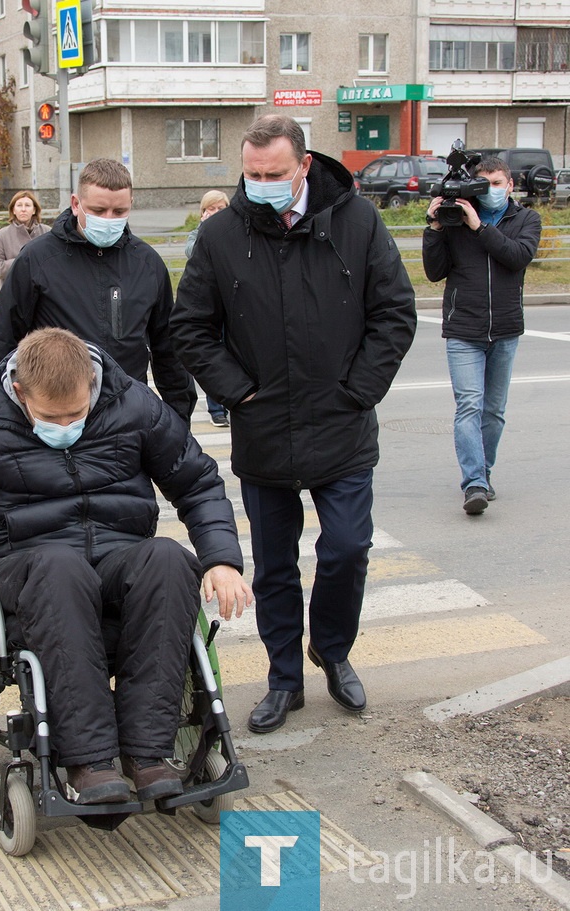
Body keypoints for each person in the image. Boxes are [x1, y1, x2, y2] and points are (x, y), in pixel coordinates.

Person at [0, 328, 252, 804]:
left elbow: (197, 484)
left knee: (170, 559)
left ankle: (147, 754)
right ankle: (88, 760)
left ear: (92, 383)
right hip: (25, 566)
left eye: (78, 413)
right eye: (51, 417)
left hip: (116, 558)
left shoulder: (136, 406)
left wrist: (222, 560)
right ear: (21, 393)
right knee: (60, 566)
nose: (67, 425)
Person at [172, 115, 416, 734]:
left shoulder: (356, 222)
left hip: (342, 426)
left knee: (348, 548)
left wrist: (359, 391)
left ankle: (331, 651)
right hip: (264, 430)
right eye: (251, 174)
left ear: (303, 166)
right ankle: (285, 678)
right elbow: (190, 328)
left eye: (273, 174)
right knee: (274, 566)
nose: (260, 184)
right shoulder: (223, 235)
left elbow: (394, 313)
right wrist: (238, 391)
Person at [0, 158, 196, 423]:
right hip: (58, 416)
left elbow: (168, 349)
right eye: (99, 210)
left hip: (126, 414)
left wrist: (179, 417)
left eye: (119, 211)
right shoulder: (38, 259)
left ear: (131, 205)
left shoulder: (147, 264)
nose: (109, 219)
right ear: (76, 204)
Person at [423, 155, 541, 516]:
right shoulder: (455, 221)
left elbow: (517, 256)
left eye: (497, 182)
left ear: (510, 185)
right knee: (470, 405)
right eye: (483, 182)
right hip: (463, 329)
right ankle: (473, 483)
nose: (491, 189)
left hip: (505, 329)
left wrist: (480, 228)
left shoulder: (525, 219)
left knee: (493, 412)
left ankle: (483, 473)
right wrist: (434, 228)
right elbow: (433, 272)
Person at [184, 190, 231, 428]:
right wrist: (206, 231)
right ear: (203, 213)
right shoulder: (197, 235)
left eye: (221, 209)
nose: (215, 213)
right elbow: (194, 254)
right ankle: (216, 409)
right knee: (215, 355)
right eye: (210, 209)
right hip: (210, 308)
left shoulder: (236, 235)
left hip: (233, 308)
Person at [0, 190, 51, 287]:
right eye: (19, 205)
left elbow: (56, 263)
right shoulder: (3, 235)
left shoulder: (47, 233)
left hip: (42, 293)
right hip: (13, 293)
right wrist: (22, 262)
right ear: (13, 210)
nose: (23, 209)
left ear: (34, 210)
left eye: (27, 205)